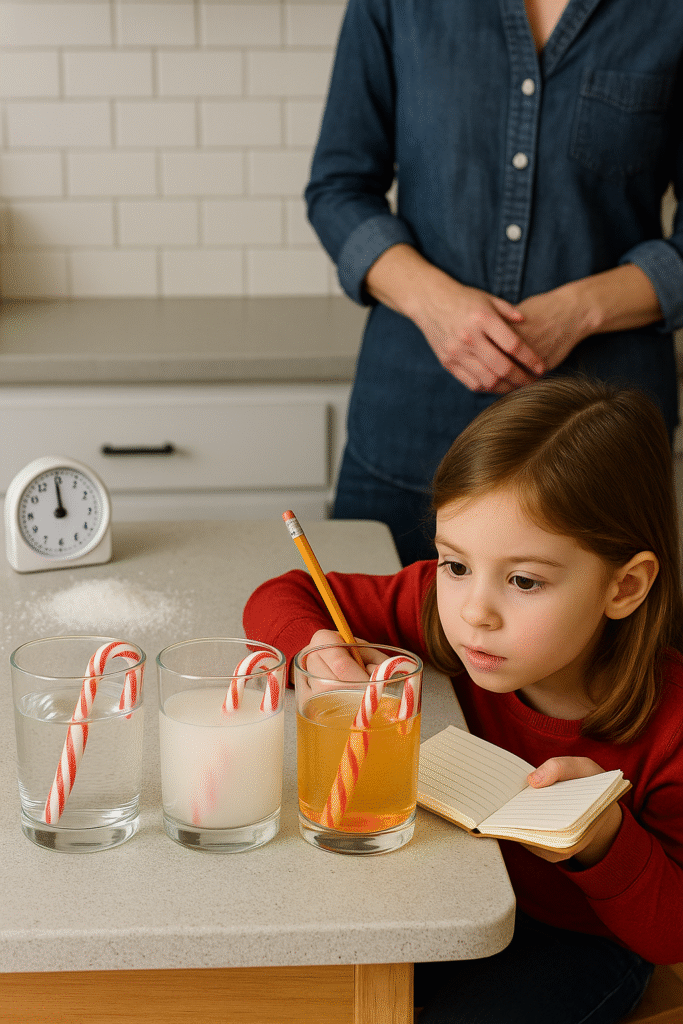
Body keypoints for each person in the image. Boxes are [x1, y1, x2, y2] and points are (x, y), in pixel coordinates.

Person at [243, 377, 683, 1024]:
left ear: (624, 587)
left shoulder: (671, 728)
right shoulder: (436, 607)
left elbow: (671, 936)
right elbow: (282, 595)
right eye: (455, 564)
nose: (474, 611)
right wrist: (320, 651)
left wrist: (603, 839)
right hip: (445, 892)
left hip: (578, 942)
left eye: (524, 580)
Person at [305, 0, 683, 566]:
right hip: (410, 426)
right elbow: (338, 188)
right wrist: (434, 303)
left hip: (601, 441)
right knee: (364, 619)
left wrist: (581, 310)